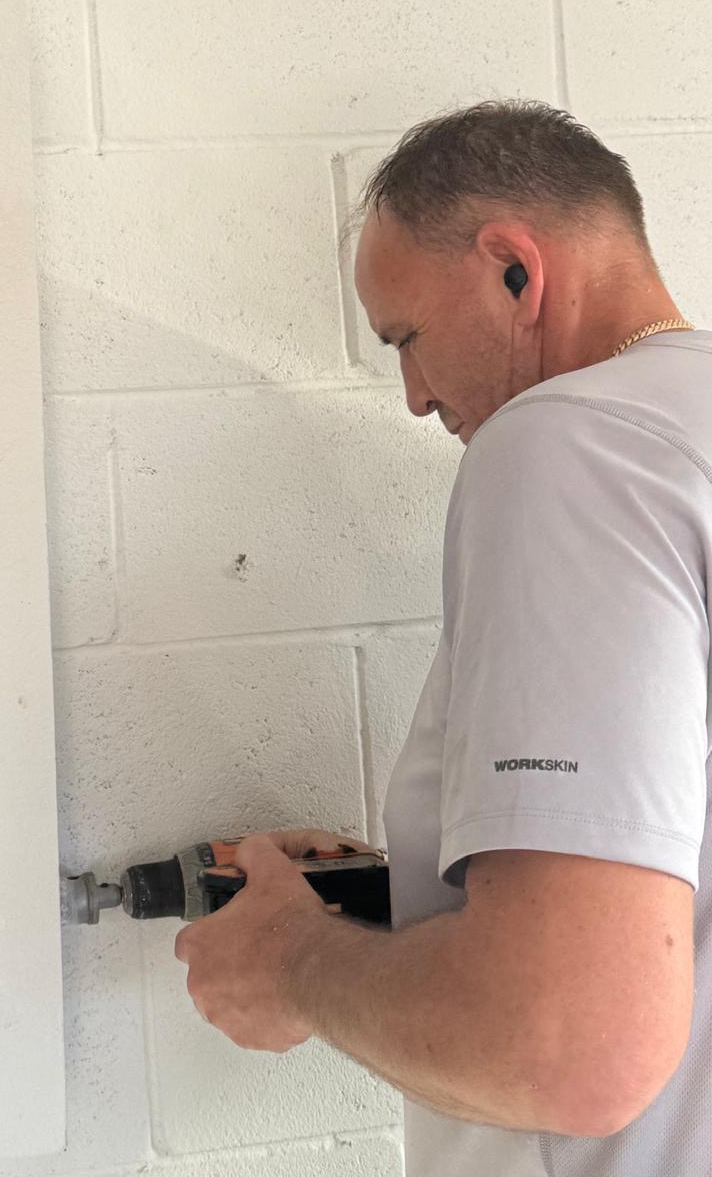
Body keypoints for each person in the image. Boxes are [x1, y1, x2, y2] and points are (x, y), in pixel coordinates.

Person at [176, 102, 709, 1176]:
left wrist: (291, 962)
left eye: (404, 339)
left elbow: (569, 1045)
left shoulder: (568, 444)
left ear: (516, 269)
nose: (415, 397)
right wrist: (438, 882)